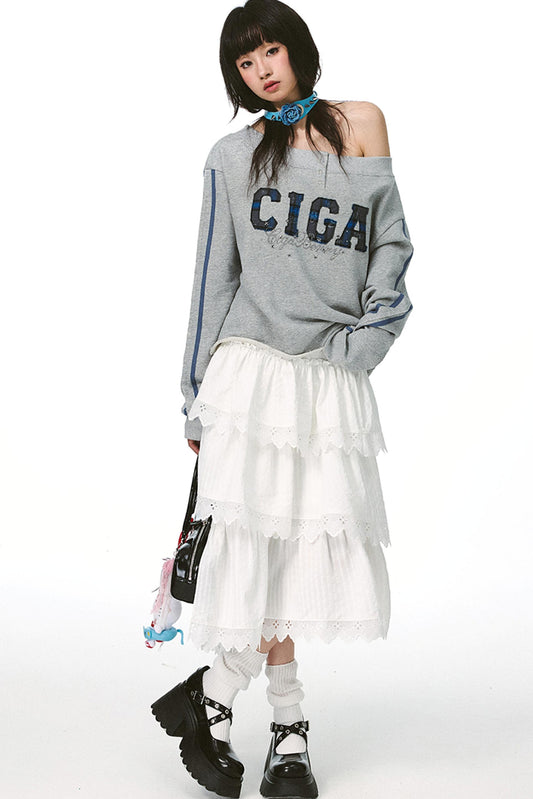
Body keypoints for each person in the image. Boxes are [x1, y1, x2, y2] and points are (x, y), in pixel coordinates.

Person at [150, 1, 414, 797]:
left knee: (300, 550)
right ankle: (287, 730)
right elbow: (213, 277)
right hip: (251, 372)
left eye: (270, 50)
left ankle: (217, 694)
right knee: (261, 555)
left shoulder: (359, 123)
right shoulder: (232, 156)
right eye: (245, 61)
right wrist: (196, 396)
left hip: (326, 375)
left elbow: (390, 243)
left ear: (296, 48)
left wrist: (367, 342)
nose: (261, 69)